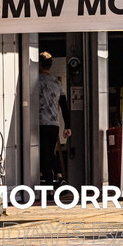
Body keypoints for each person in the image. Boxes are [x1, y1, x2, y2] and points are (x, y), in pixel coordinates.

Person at [33, 51, 71, 186]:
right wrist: (68, 125)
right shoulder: (57, 83)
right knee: (50, 151)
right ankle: (60, 176)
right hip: (54, 124)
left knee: (44, 154)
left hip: (40, 123)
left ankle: (50, 185)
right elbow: (64, 105)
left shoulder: (36, 82)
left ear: (39, 65)